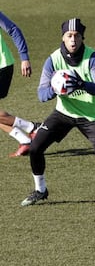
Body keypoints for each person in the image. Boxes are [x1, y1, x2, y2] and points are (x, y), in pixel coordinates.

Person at [20, 18, 95, 210]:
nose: (73, 40)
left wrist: (81, 84)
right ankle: (40, 190)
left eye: (77, 36)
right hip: (63, 113)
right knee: (35, 148)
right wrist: (57, 88)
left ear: (82, 37)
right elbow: (41, 95)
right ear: (63, 37)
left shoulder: (92, 57)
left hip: (90, 117)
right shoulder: (53, 60)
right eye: (69, 36)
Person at [0, 11, 40, 157]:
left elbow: (13, 29)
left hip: (1, 66)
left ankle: (32, 127)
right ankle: (24, 140)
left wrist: (24, 57)